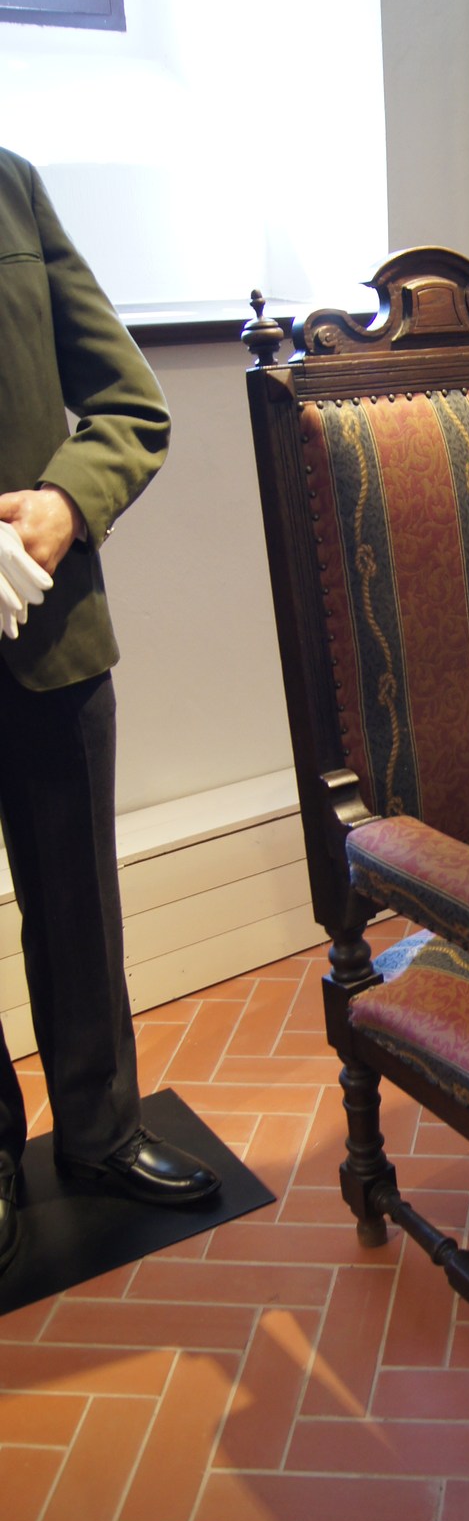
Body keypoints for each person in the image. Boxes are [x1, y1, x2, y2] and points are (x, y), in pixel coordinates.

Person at [0, 147, 218, 1279]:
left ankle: (100, 1133)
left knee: (80, 909)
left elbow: (131, 404)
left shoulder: (12, 187)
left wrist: (65, 504)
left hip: (51, 635)